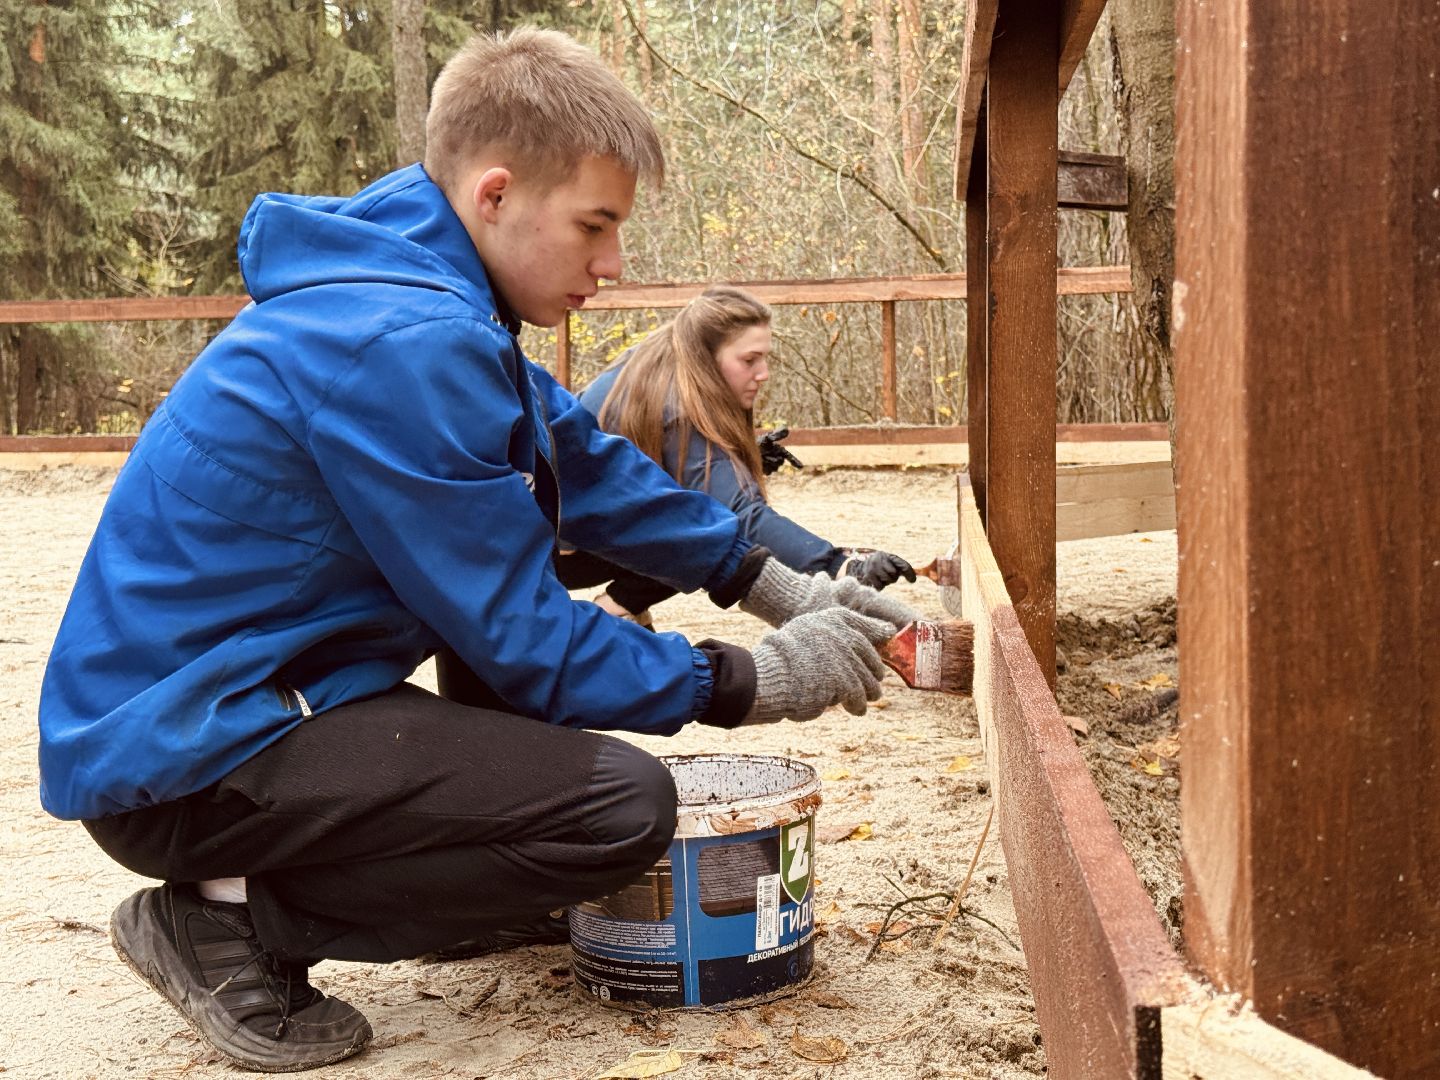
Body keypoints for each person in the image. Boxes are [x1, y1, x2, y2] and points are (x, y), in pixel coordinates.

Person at [36, 28, 919, 1073]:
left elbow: (584, 464)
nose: (613, 264)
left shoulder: (428, 299)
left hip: (260, 700)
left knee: (543, 766)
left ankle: (435, 893)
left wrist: (770, 582)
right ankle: (229, 922)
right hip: (186, 754)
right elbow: (519, 632)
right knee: (618, 811)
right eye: (595, 225)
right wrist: (750, 679)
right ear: (496, 194)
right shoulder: (401, 344)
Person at [555, 286, 916, 628]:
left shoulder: (656, 364)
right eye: (749, 360)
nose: (764, 373)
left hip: (568, 536)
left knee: (699, 518)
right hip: (559, 556)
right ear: (706, 356)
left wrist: (748, 462)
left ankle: (624, 610)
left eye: (764, 358)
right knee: (711, 533)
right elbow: (739, 514)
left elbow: (654, 468)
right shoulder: (678, 406)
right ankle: (615, 610)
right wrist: (839, 565)